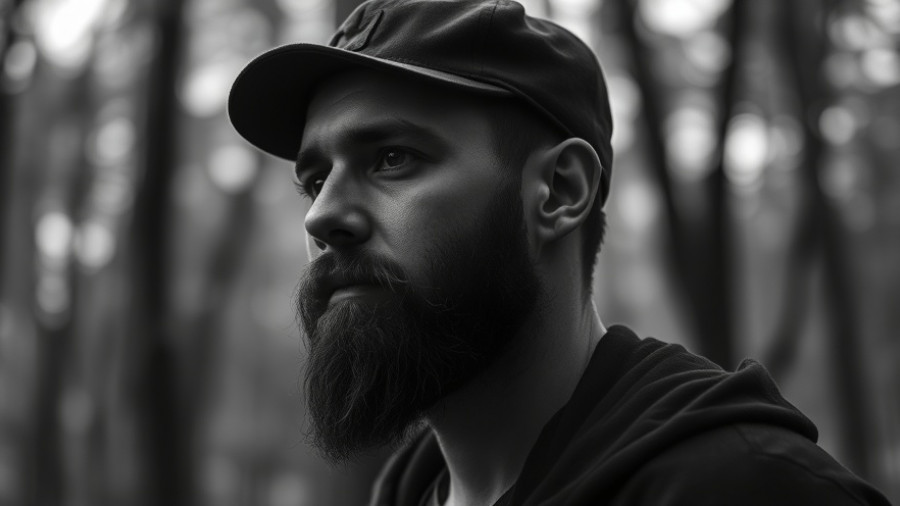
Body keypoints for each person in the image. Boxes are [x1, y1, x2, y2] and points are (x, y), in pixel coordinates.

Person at [228, 0, 892, 504]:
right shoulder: (413, 489)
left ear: (559, 191)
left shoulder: (746, 487)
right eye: (315, 179)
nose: (322, 215)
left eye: (393, 159)